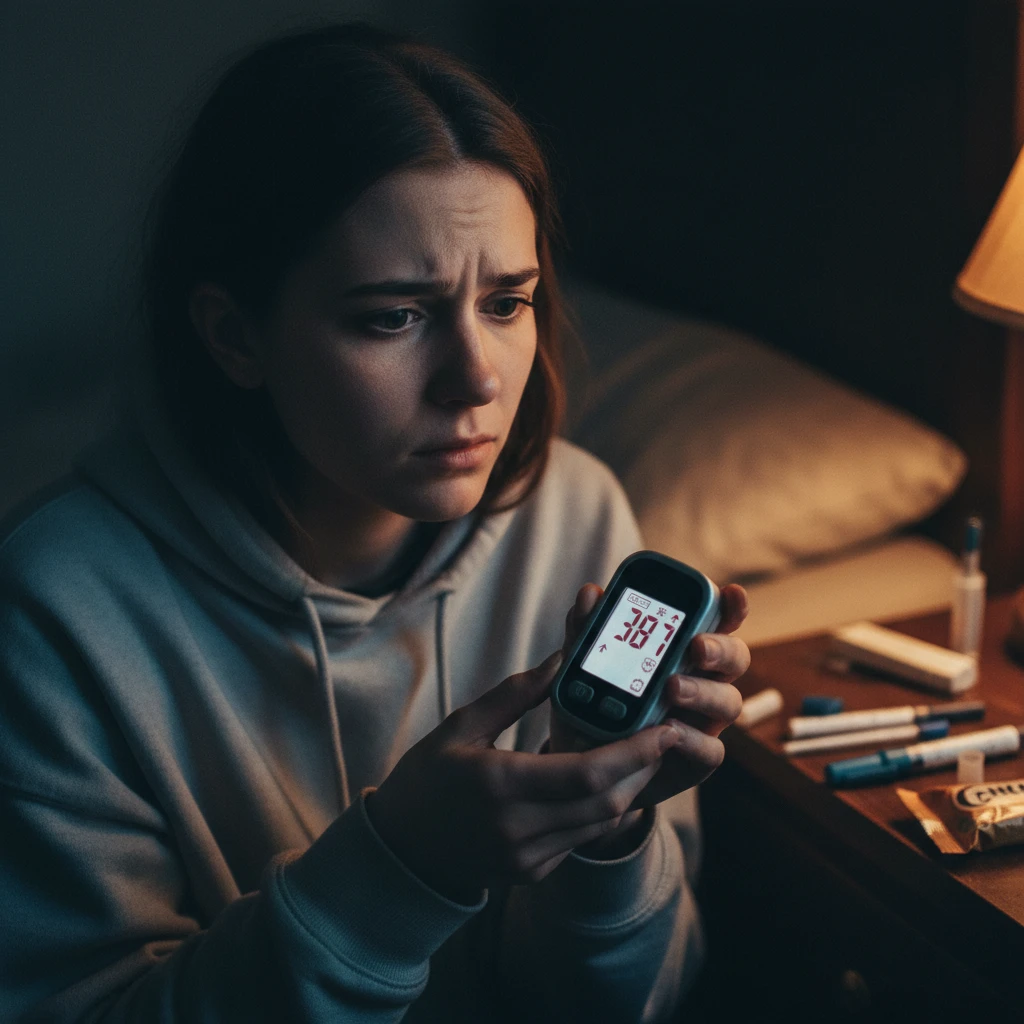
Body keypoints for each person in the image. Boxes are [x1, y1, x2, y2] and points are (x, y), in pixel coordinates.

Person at [0, 23, 749, 1023]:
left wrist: (602, 835)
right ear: (235, 336)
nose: (477, 379)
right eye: (393, 316)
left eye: (507, 301)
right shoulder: (57, 611)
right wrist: (400, 864)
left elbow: (629, 1006)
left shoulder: (578, 516)